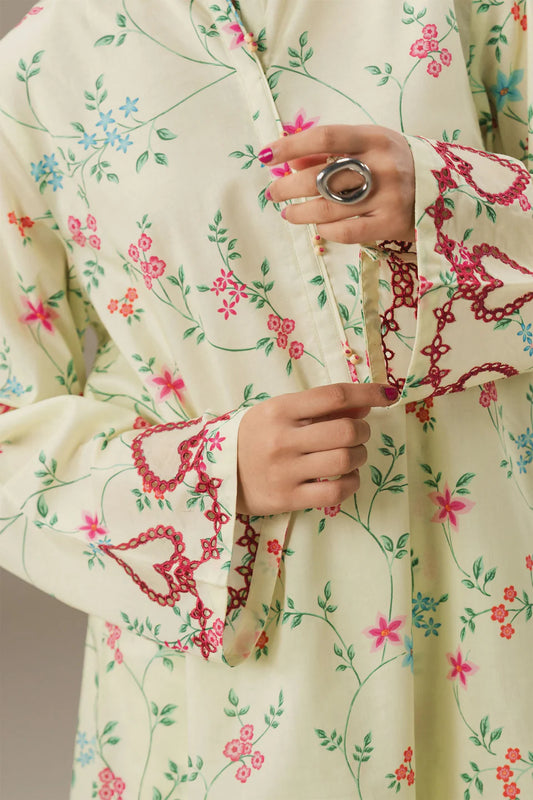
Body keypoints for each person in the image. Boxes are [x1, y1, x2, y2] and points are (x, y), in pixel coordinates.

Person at [1, 1, 532, 797]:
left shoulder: (476, 12)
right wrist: (209, 471)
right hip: (246, 687)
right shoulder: (43, 69)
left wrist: (453, 199)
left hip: (491, 601)